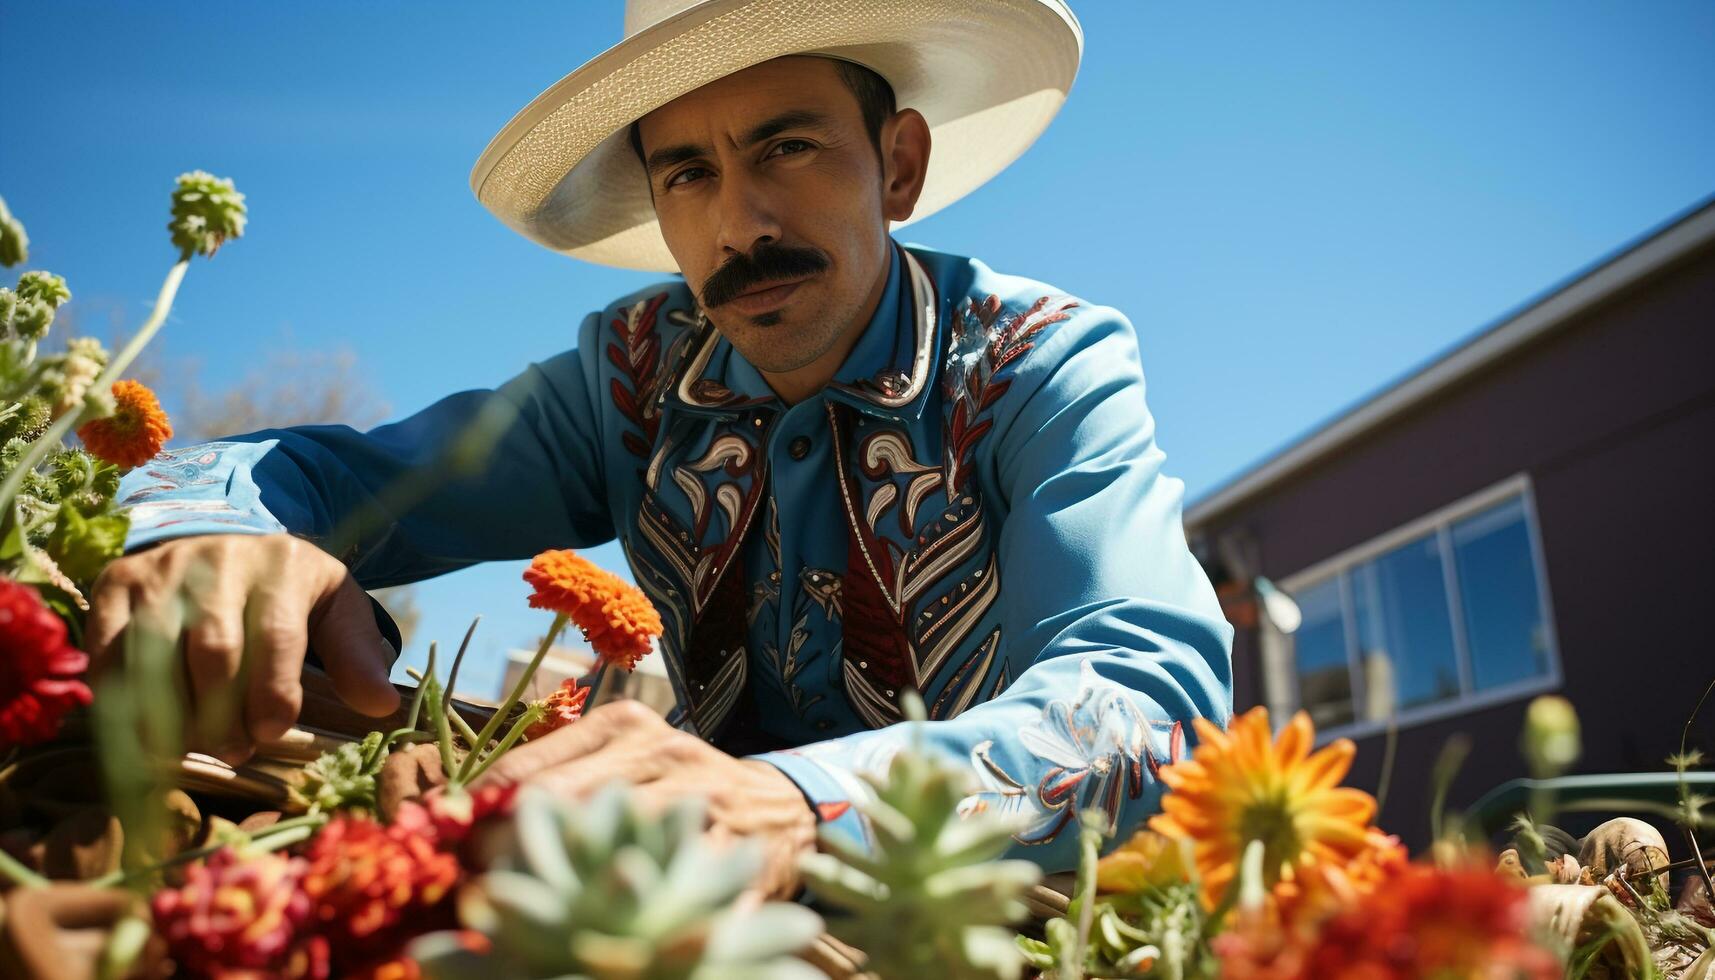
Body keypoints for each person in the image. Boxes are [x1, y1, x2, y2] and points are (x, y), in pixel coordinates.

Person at [87, 0, 1233, 892]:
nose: (738, 224)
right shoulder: (626, 376)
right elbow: (333, 476)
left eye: (785, 147)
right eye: (686, 171)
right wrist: (207, 530)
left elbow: (1151, 700)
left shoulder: (1036, 362)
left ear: (897, 165)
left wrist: (795, 803)